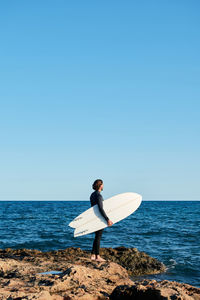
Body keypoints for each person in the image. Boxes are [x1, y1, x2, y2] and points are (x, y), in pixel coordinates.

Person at [90, 179, 113, 262]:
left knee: (96, 237)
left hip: (94, 217)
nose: (103, 186)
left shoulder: (92, 195)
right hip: (100, 218)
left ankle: (93, 255)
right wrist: (107, 219)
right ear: (100, 186)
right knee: (98, 237)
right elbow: (100, 208)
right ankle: (97, 256)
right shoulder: (99, 195)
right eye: (102, 184)